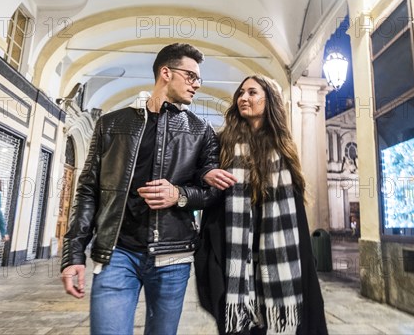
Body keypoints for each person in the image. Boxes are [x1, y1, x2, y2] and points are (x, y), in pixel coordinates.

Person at [61, 43, 228, 335]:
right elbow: (88, 191)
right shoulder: (111, 124)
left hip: (172, 257)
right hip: (116, 254)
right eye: (191, 76)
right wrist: (73, 254)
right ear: (166, 72)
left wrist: (180, 195)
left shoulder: (201, 131)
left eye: (199, 79)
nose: (197, 85)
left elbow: (212, 192)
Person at [197, 75, 328, 334]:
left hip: (278, 253)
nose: (243, 98)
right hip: (234, 253)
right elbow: (206, 187)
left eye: (252, 93)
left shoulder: (284, 147)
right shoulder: (223, 142)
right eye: (241, 93)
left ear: (269, 101)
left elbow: (296, 209)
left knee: (274, 323)